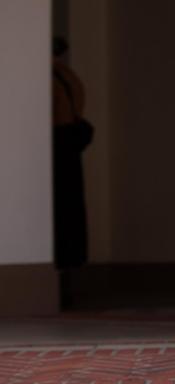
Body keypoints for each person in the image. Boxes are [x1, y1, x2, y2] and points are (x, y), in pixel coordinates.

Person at [52, 36, 93, 270]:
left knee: (61, 212)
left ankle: (62, 271)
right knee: (69, 210)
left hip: (58, 148)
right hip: (68, 148)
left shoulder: (53, 80)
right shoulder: (70, 77)